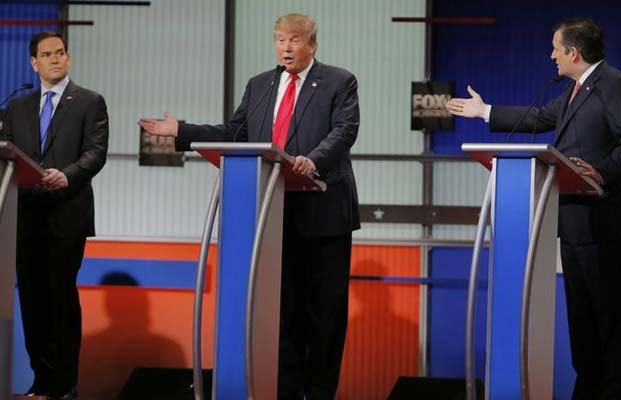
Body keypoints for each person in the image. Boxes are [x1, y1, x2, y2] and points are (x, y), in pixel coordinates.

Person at [139, 13, 360, 400]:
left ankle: (320, 393)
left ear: (312, 45)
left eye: (294, 40)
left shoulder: (339, 81)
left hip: (324, 215)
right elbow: (235, 133)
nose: (285, 48)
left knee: (324, 315)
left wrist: (312, 160)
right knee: (281, 313)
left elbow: (344, 131)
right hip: (271, 215)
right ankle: (286, 392)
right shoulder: (261, 84)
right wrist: (183, 131)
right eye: (280, 40)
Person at [446, 17, 621, 399]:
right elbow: (540, 118)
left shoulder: (615, 85)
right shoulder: (574, 90)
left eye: (556, 49)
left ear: (574, 51)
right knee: (582, 323)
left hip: (604, 223)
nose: (552, 55)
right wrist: (485, 111)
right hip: (571, 222)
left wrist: (601, 173)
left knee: (609, 321)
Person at [0, 31, 109, 399]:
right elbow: (7, 153)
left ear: (68, 57)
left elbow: (95, 153)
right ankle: (41, 381)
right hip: (25, 216)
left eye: (60, 52)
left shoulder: (89, 102)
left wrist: (67, 175)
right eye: (47, 55)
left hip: (67, 214)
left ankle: (64, 384)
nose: (55, 59)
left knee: (59, 295)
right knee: (32, 299)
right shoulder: (17, 106)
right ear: (34, 63)